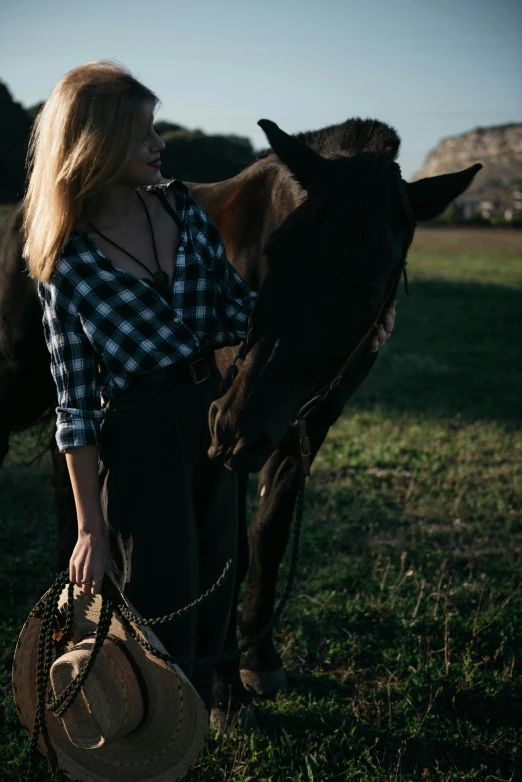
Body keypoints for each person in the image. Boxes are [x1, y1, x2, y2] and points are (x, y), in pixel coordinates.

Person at [22, 59, 396, 718]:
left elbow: (237, 310)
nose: (160, 146)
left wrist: (314, 328)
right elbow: (74, 406)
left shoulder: (179, 211)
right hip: (140, 434)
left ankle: (189, 721)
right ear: (95, 144)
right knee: (159, 595)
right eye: (144, 134)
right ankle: (147, 731)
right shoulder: (65, 261)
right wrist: (90, 529)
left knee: (219, 581)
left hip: (212, 411)